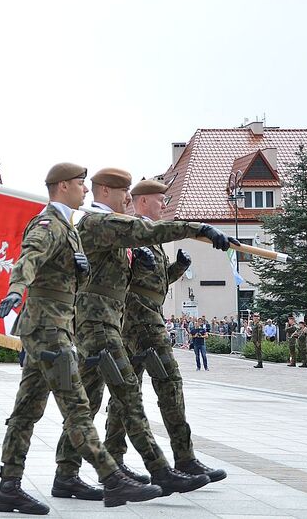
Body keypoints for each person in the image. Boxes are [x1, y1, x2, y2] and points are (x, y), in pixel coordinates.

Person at [0, 163, 162, 514]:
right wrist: (16, 289)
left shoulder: (67, 228)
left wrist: (80, 274)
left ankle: (8, 487)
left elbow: (67, 285)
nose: (85, 190)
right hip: (48, 331)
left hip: (49, 329)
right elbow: (30, 257)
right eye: (80, 185)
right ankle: (112, 478)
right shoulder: (48, 224)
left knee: (25, 411)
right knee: (77, 409)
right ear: (63, 187)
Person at [54, 168, 231, 500]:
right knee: (128, 394)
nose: (128, 199)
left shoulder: (106, 227)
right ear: (105, 192)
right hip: (98, 326)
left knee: (88, 402)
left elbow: (138, 273)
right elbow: (145, 230)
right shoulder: (98, 222)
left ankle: (66, 475)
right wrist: (199, 228)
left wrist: (172, 265)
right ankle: (162, 469)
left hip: (105, 326)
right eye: (124, 192)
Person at [104, 180, 228, 486]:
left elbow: (153, 284)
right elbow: (123, 281)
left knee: (125, 393)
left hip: (138, 324)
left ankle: (113, 459)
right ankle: (184, 459)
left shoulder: (149, 237)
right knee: (169, 385)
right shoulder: (132, 233)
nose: (164, 204)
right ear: (143, 201)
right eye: (161, 200)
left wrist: (178, 268)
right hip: (143, 325)